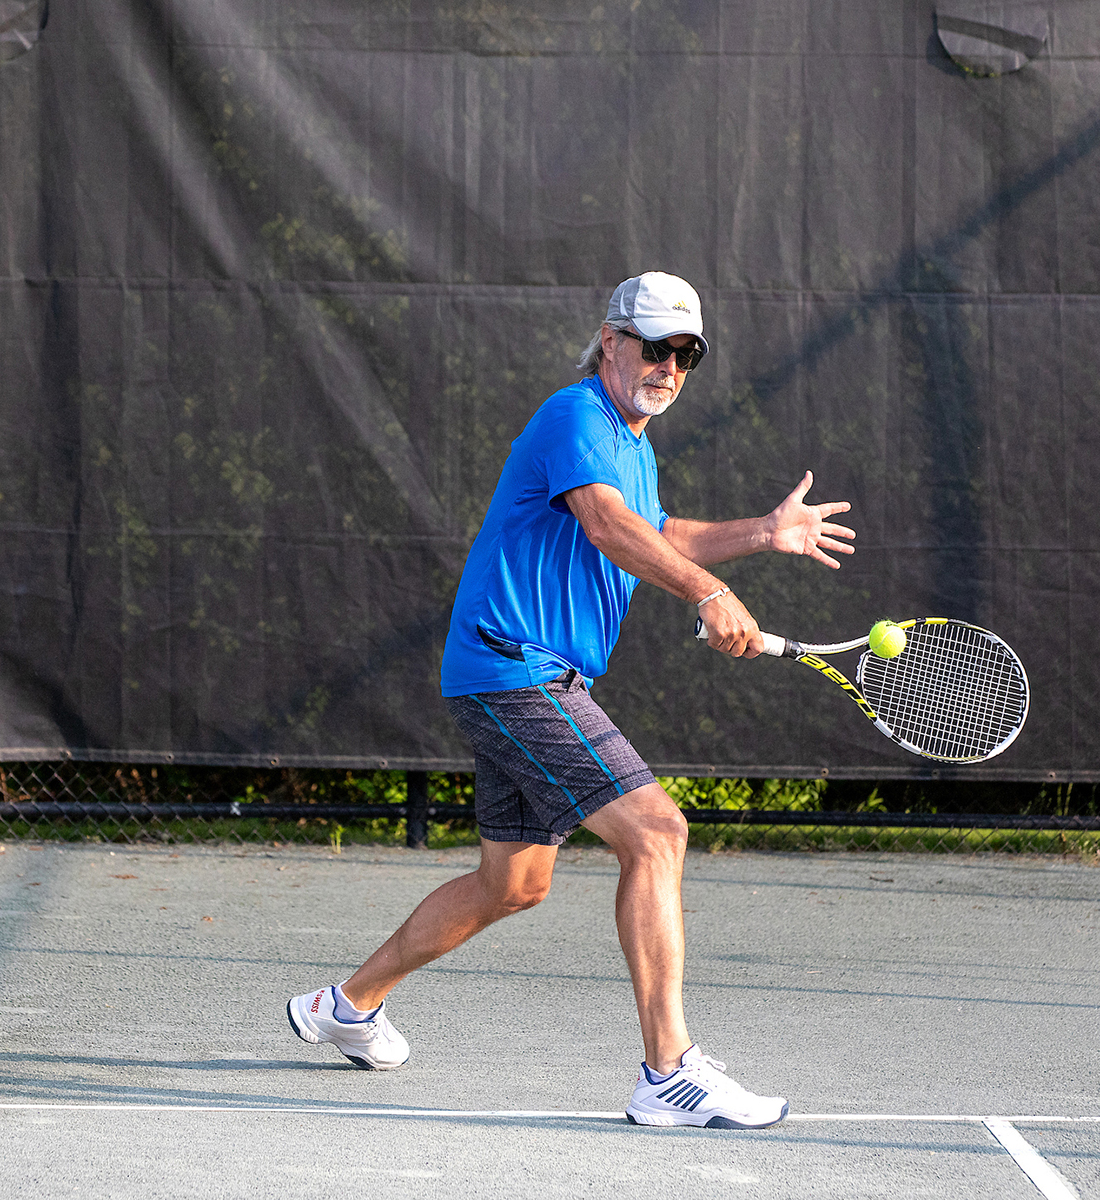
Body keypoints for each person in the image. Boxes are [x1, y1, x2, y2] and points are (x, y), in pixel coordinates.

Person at [285, 271, 855, 1129]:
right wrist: (707, 593)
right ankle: (668, 1073)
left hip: (516, 674)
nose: (669, 367)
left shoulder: (631, 444)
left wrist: (763, 534)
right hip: (515, 670)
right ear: (611, 340)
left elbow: (655, 532)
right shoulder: (576, 415)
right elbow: (607, 525)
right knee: (658, 833)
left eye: (687, 355)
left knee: (512, 882)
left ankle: (346, 1006)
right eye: (655, 347)